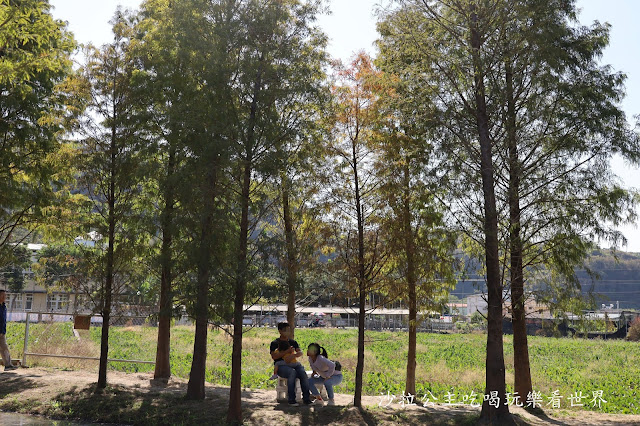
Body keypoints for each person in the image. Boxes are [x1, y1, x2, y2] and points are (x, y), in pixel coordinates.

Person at [270, 322, 312, 406]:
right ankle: (291, 399)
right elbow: (274, 356)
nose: (288, 332)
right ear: (280, 331)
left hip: (293, 363)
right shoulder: (274, 343)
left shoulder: (293, 342)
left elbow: (300, 352)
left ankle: (307, 399)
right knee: (292, 372)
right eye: (286, 330)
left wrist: (294, 355)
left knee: (302, 373)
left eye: (289, 330)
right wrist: (286, 352)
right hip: (281, 367)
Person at [0, 290, 16, 371]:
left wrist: (3, 330)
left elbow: (3, 320)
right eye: (2, 295)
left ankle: (8, 365)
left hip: (2, 332)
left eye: (5, 296)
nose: (4, 297)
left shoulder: (3, 306)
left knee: (4, 348)